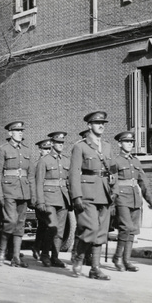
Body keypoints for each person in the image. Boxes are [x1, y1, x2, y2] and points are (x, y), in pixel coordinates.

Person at [69, 111, 117, 280]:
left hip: (104, 193)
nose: (101, 125)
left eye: (103, 123)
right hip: (87, 193)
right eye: (97, 123)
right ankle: (78, 259)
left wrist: (115, 190)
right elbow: (74, 173)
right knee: (91, 228)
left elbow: (113, 170)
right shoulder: (80, 146)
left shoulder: (108, 147)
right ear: (89, 125)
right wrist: (76, 196)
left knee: (102, 231)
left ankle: (95, 268)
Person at [0, 121, 36, 268]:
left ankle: (16, 256)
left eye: (21, 130)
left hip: (23, 191)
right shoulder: (3, 150)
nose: (20, 133)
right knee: (11, 221)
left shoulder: (27, 151)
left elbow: (30, 175)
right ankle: (2, 252)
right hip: (8, 191)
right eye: (16, 131)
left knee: (20, 224)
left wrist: (32, 195)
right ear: (10, 133)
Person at [111, 131, 152, 272]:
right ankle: (117, 257)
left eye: (131, 142)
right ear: (119, 144)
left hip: (136, 199)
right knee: (126, 227)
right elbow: (112, 182)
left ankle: (127, 260)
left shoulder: (136, 161)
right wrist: (112, 201)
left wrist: (150, 199)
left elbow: (143, 181)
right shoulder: (115, 161)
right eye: (126, 141)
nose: (130, 144)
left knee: (133, 231)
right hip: (121, 198)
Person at [35, 132, 71, 268]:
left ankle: (55, 257)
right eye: (58, 143)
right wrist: (40, 201)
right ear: (52, 144)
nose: (60, 145)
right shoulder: (44, 161)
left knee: (60, 231)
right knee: (52, 227)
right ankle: (45, 254)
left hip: (63, 198)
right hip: (49, 198)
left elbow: (69, 181)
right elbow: (39, 182)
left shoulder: (67, 160)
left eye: (62, 143)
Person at [32, 138, 53, 261]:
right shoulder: (36, 164)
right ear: (40, 150)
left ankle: (37, 247)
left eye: (49, 149)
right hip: (41, 199)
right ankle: (40, 249)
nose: (47, 151)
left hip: (51, 197)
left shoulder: (51, 163)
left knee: (44, 225)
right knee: (44, 224)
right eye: (45, 149)